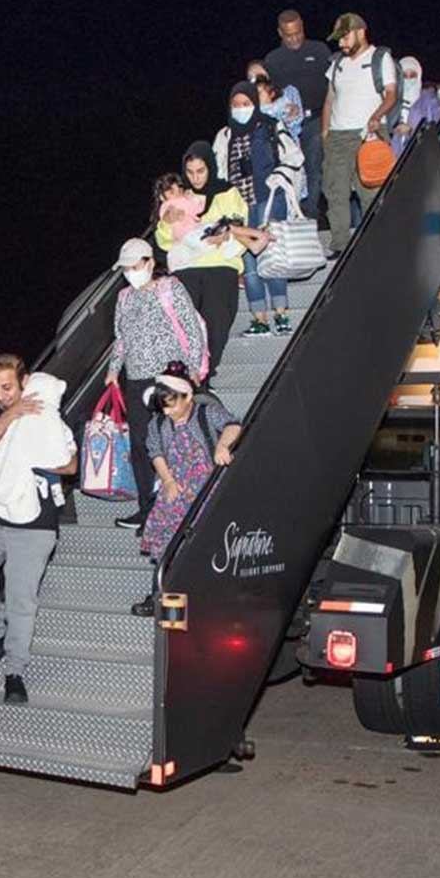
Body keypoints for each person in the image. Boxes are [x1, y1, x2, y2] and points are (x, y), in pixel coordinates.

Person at [0, 353, 79, 705]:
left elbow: (71, 465)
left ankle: (15, 672)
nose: (1, 395)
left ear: (24, 381)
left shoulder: (46, 409)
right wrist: (10, 414)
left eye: (8, 388)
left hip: (36, 524)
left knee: (20, 597)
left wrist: (30, 456)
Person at [106, 238, 208, 531]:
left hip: (169, 375)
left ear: (150, 263)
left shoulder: (170, 287)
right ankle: (147, 508)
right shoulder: (124, 297)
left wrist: (193, 366)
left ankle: (183, 505)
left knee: (174, 439)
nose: (130, 273)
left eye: (134, 266)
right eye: (125, 268)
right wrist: (113, 370)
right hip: (136, 378)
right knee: (140, 443)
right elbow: (121, 338)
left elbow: (191, 327)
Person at [131, 361, 242, 615]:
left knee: (203, 544)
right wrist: (168, 481)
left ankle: (206, 600)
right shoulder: (158, 423)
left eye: (172, 404)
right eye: (164, 406)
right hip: (176, 488)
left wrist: (222, 446)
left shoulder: (205, 412)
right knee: (167, 544)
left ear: (188, 396)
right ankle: (161, 599)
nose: (168, 411)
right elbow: (155, 452)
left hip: (206, 488)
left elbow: (233, 425)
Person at [156, 143, 261, 374]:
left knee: (217, 325)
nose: (195, 178)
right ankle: (187, 377)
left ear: (210, 167)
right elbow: (164, 241)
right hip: (187, 268)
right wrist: (167, 223)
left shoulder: (228, 192)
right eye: (190, 172)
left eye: (200, 171)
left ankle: (205, 375)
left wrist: (227, 233)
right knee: (185, 326)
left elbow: (239, 222)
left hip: (221, 266)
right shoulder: (179, 196)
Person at [213, 81, 291, 337]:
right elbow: (219, 171)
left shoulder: (270, 126)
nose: (240, 108)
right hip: (239, 206)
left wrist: (280, 176)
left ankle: (281, 315)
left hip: (269, 199)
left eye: (245, 103)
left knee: (273, 257)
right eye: (235, 105)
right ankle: (260, 319)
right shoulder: (225, 136)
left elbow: (293, 156)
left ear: (254, 104)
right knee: (249, 264)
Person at [322, 12, 399, 258]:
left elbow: (391, 94)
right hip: (337, 136)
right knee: (335, 191)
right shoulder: (337, 63)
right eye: (338, 39)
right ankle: (340, 244)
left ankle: (375, 244)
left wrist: (377, 116)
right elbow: (329, 99)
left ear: (361, 32)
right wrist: (325, 132)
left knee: (371, 192)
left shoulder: (380, 57)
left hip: (369, 134)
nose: (341, 43)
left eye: (345, 37)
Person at [264, 9, 334, 219]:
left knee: (313, 164)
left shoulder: (319, 50)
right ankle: (291, 212)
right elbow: (268, 93)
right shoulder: (273, 59)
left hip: (315, 118)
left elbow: (333, 84)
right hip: (286, 123)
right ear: (280, 33)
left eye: (298, 33)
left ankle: (309, 212)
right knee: (291, 165)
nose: (294, 39)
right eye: (289, 35)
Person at [392, 56, 440, 156]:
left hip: (423, 157)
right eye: (404, 76)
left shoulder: (427, 99)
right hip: (399, 160)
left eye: (412, 75)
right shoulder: (392, 105)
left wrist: (411, 131)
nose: (408, 79)